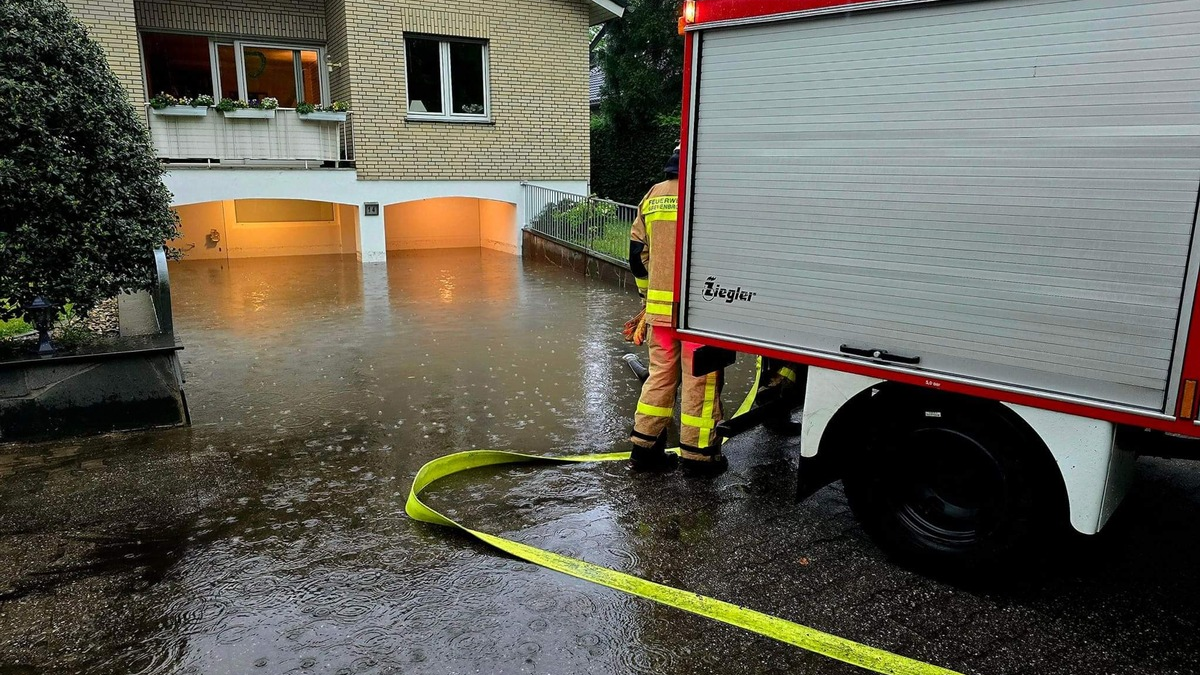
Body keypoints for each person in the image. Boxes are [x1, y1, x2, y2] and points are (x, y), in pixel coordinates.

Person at [627, 146, 728, 476]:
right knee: (701, 380)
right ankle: (698, 459)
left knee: (659, 377)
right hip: (700, 314)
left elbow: (636, 255)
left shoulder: (653, 196)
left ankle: (644, 452)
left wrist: (647, 299)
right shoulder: (707, 194)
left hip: (660, 315)